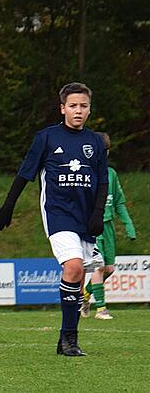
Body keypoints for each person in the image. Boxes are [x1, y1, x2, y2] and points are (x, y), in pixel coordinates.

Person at [0, 82, 108, 357]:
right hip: (58, 214)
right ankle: (70, 338)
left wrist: (97, 215)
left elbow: (102, 182)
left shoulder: (95, 142)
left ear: (89, 110)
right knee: (73, 266)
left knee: (78, 274)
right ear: (62, 108)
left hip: (84, 217)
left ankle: (64, 339)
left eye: (83, 106)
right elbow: (24, 174)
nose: (78, 111)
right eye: (73, 106)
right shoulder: (46, 138)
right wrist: (8, 206)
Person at [80, 132, 136, 320]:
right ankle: (101, 309)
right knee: (99, 266)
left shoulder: (111, 174)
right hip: (92, 228)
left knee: (109, 269)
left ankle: (86, 295)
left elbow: (119, 202)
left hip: (109, 227)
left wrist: (128, 224)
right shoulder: (85, 172)